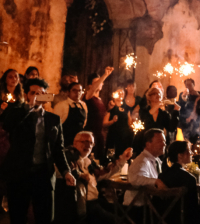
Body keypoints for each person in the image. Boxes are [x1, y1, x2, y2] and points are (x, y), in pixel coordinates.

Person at [0, 78, 76, 224]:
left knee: (46, 217)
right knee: (18, 217)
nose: (36, 95)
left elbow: (58, 149)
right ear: (27, 95)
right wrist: (29, 107)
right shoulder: (18, 112)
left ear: (46, 95)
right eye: (33, 93)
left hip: (43, 175)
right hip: (19, 175)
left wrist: (66, 171)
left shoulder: (53, 119)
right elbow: (8, 125)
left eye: (41, 93)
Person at [63, 131, 132, 223]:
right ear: (75, 143)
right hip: (84, 206)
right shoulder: (67, 160)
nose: (88, 145)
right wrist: (80, 175)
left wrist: (123, 159)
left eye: (91, 143)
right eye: (84, 142)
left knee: (126, 212)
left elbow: (104, 173)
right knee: (116, 220)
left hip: (96, 201)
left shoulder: (89, 163)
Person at [124, 129, 168, 210]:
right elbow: (134, 179)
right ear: (148, 144)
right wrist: (156, 181)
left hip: (149, 209)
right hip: (138, 210)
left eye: (164, 141)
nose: (164, 144)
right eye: (159, 141)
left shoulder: (156, 160)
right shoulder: (142, 161)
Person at [158, 141, 199, 221]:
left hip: (163, 218)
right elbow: (194, 208)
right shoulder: (189, 178)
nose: (192, 153)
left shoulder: (162, 176)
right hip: (182, 219)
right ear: (180, 155)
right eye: (189, 151)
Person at [135, 87, 180, 155]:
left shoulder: (163, 114)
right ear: (149, 97)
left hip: (158, 146)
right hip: (145, 145)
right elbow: (144, 119)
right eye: (154, 93)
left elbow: (171, 128)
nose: (158, 95)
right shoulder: (143, 111)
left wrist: (176, 111)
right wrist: (156, 106)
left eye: (159, 93)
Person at [83, 67, 114, 159]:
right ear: (90, 85)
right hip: (90, 132)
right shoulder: (88, 96)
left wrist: (109, 109)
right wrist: (105, 75)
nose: (100, 83)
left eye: (100, 82)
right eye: (96, 82)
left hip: (99, 134)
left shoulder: (100, 100)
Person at [54, 82, 88, 148]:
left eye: (79, 90)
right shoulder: (61, 106)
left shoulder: (83, 105)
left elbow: (84, 123)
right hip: (65, 142)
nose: (77, 93)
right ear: (68, 92)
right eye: (74, 90)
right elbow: (55, 126)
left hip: (79, 142)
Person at [104, 87, 133, 158]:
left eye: (122, 93)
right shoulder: (111, 106)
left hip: (124, 137)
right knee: (111, 157)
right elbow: (104, 123)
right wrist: (112, 121)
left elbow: (130, 122)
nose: (121, 94)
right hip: (113, 136)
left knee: (122, 156)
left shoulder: (127, 108)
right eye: (119, 93)